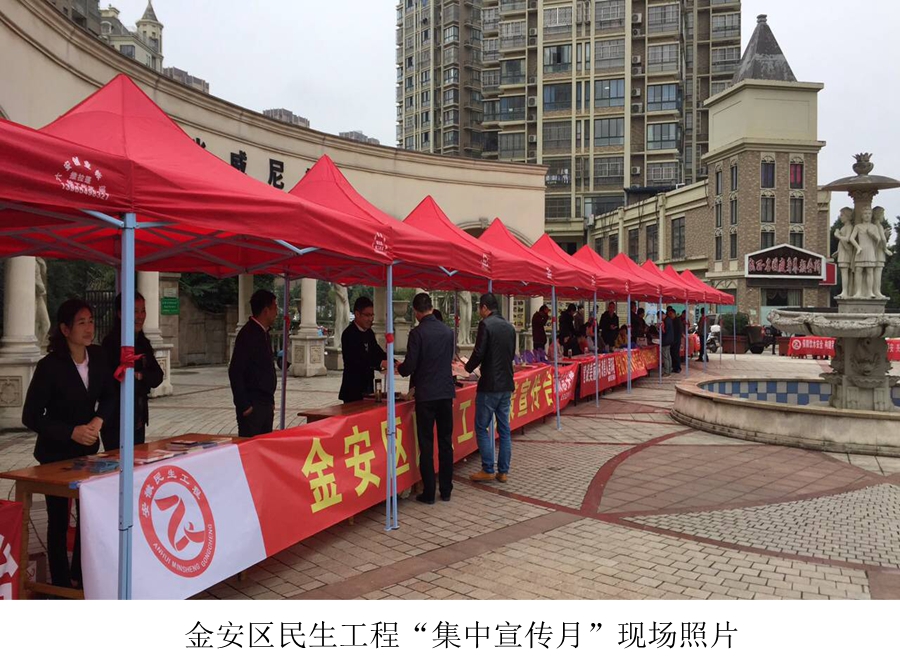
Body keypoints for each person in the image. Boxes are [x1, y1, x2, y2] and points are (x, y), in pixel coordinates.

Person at [22, 299, 116, 589]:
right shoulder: (49, 366)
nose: (89, 328)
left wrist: (98, 420)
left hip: (87, 452)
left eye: (91, 321)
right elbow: (31, 415)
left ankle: (81, 574)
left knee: (88, 515)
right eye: (81, 323)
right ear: (65, 329)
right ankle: (61, 585)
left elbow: (111, 393)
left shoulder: (98, 356)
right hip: (55, 454)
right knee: (59, 521)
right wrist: (69, 432)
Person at [397, 293, 456, 504]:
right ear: (431, 307)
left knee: (426, 443)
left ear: (416, 312)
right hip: (445, 393)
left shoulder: (417, 333)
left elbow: (410, 365)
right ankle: (446, 490)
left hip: (426, 396)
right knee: (446, 442)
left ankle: (429, 492)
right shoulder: (448, 332)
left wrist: (400, 368)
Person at [101, 292, 164, 451]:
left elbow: (157, 376)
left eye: (143, 311)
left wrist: (140, 375)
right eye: (135, 311)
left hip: (138, 418)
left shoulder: (143, 343)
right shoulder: (110, 344)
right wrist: (135, 377)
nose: (140, 316)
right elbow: (112, 383)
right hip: (115, 420)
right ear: (120, 313)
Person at [465, 293, 516, 483]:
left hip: (489, 385)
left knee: (481, 427)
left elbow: (479, 352)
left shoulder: (485, 325)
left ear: (485, 308)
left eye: (479, 308)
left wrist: (467, 367)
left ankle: (487, 468)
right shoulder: (509, 327)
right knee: (504, 429)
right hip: (506, 384)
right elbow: (510, 354)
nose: (479, 311)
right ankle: (503, 471)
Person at [229, 289, 278, 437]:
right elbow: (235, 371)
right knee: (250, 445)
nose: (277, 312)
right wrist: (244, 405)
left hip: (265, 403)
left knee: (264, 445)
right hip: (252, 405)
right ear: (265, 311)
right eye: (274, 308)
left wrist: (270, 400)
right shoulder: (248, 334)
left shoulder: (264, 333)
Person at [339, 296, 388, 403]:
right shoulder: (349, 334)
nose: (371, 319)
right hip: (353, 389)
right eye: (367, 315)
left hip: (368, 387)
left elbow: (376, 351)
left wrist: (393, 362)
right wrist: (380, 363)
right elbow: (358, 359)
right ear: (357, 314)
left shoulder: (369, 332)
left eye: (372, 315)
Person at [668, 306, 683, 373]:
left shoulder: (677, 321)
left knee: (676, 354)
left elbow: (678, 332)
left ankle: (677, 368)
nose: (670, 315)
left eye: (671, 314)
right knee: (673, 354)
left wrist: (675, 340)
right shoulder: (672, 320)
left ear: (674, 313)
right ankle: (674, 367)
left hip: (676, 340)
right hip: (672, 340)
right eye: (669, 314)